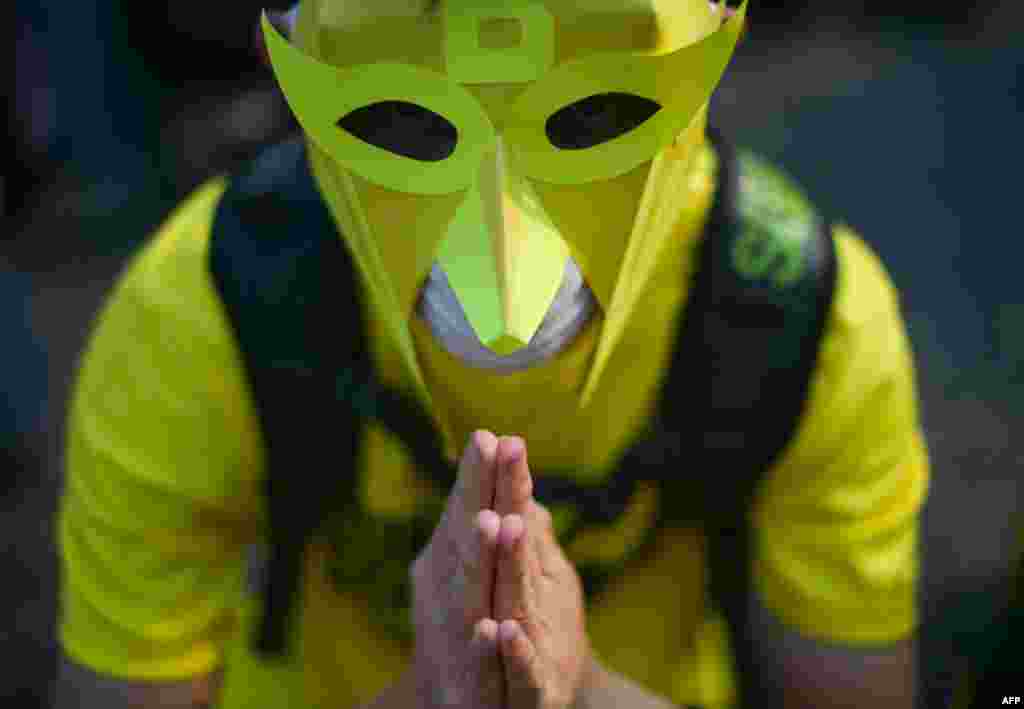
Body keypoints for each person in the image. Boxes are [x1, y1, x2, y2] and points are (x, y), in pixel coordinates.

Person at [53, 1, 929, 707]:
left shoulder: (802, 325)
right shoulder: (205, 317)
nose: (504, 252)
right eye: (404, 118)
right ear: (281, 48)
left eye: (595, 112)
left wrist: (583, 688)